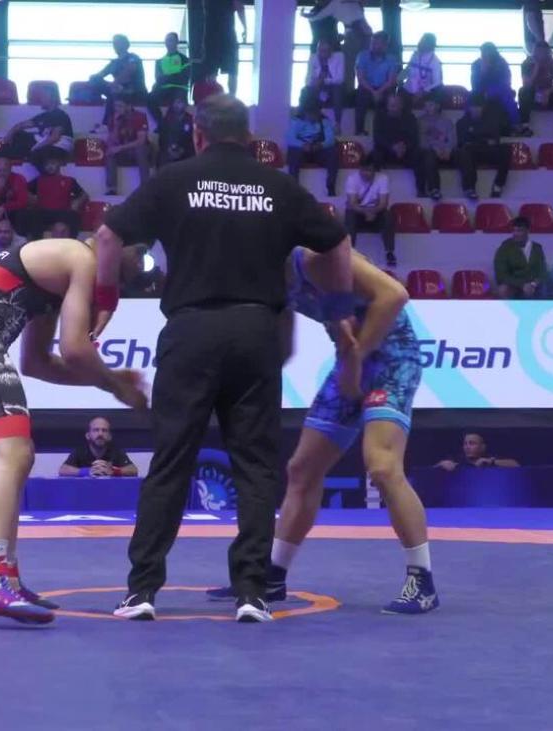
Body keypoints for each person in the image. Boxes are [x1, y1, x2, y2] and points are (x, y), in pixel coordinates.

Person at [97, 94, 356, 623]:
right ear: (249, 137)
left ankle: (142, 591)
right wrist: (338, 313)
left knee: (171, 462)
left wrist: (105, 301)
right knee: (255, 467)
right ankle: (252, 594)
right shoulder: (278, 187)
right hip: (255, 331)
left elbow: (106, 236)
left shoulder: (175, 179)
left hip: (190, 330)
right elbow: (337, 243)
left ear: (198, 134)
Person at [206, 246, 438, 615]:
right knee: (302, 469)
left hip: (393, 359)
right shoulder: (268, 279)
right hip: (351, 359)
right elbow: (283, 348)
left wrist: (356, 357)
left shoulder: (310, 257)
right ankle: (273, 576)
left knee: (382, 466)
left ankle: (422, 580)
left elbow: (394, 295)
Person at [0, 236, 147, 624]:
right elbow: (75, 350)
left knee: (21, 453)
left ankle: (6, 576)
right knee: (10, 452)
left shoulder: (54, 281)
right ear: (116, 243)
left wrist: (111, 382)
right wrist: (116, 385)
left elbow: (37, 362)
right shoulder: (79, 256)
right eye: (138, 252)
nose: (139, 264)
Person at [457, 94, 511, 200]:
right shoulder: (462, 122)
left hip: (487, 151)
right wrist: (483, 138)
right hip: (471, 152)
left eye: (479, 107)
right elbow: (462, 142)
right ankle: (469, 188)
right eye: (474, 107)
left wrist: (475, 135)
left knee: (506, 150)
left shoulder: (490, 121)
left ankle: (498, 185)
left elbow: (495, 139)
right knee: (465, 152)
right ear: (469, 108)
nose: (477, 110)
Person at [87, 35, 147, 131]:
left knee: (113, 94)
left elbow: (130, 71)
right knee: (95, 79)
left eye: (118, 42)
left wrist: (115, 83)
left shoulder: (133, 57)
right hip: (116, 89)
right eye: (114, 43)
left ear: (126, 44)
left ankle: (106, 124)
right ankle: (111, 93)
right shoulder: (114, 62)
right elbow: (100, 74)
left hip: (134, 90)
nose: (115, 45)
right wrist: (96, 79)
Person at [344, 157, 396, 266]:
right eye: (363, 170)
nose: (365, 173)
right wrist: (366, 212)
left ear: (374, 170)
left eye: (369, 170)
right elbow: (352, 203)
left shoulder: (383, 179)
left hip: (376, 213)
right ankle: (349, 253)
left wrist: (373, 212)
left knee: (388, 215)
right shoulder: (352, 179)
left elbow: (383, 203)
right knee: (349, 215)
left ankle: (389, 252)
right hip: (359, 213)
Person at [286, 93, 339, 197]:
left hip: (318, 149)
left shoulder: (324, 121)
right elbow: (289, 139)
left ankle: (331, 186)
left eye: (316, 113)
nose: (314, 116)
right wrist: (302, 145)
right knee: (293, 152)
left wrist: (321, 145)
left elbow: (331, 139)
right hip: (302, 151)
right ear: (306, 112)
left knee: (332, 152)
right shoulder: (297, 121)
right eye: (311, 114)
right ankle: (294, 188)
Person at [1, 96, 74, 171]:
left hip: (58, 147)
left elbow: (54, 137)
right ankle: (8, 155)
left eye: (44, 97)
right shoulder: (43, 116)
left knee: (40, 154)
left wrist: (36, 148)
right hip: (44, 143)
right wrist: (10, 133)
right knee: (19, 135)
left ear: (52, 99)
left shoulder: (60, 115)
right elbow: (21, 125)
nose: (41, 99)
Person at [25, 156, 88, 240]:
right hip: (43, 212)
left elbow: (84, 194)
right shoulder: (39, 180)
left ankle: (72, 242)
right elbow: (24, 189)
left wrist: (77, 202)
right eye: (47, 164)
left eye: (53, 163)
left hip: (63, 212)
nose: (50, 166)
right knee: (32, 216)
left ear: (59, 164)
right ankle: (35, 243)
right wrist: (31, 198)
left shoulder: (69, 180)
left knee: (74, 216)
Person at [518, 41, 553, 138]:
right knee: (522, 91)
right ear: (535, 52)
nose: (541, 54)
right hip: (533, 93)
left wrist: (549, 91)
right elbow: (526, 84)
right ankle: (525, 127)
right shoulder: (527, 63)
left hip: (549, 93)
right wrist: (536, 68)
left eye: (544, 52)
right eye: (539, 51)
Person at [353, 31, 399, 136]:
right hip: (367, 87)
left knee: (390, 99)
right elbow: (361, 79)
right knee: (361, 97)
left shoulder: (392, 59)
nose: (373, 46)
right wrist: (374, 92)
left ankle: (386, 132)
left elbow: (391, 81)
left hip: (384, 87)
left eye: (377, 43)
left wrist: (379, 91)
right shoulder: (362, 55)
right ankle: (359, 131)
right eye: (372, 43)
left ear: (384, 45)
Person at [58, 417, 138, 477]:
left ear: (110, 436)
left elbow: (133, 470)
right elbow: (63, 470)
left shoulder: (115, 450)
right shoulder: (81, 450)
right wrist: (87, 471)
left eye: (104, 430)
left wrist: (114, 471)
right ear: (88, 435)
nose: (100, 434)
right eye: (96, 430)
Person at [104, 98, 152, 197]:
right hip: (125, 152)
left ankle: (146, 187)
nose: (117, 109)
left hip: (138, 150)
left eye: (120, 106)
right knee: (110, 152)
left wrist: (120, 148)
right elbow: (112, 142)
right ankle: (112, 189)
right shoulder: (113, 118)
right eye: (115, 106)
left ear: (129, 106)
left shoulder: (140, 116)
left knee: (140, 150)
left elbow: (141, 141)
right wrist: (116, 124)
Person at [493, 217, 548, 299]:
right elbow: (501, 275)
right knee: (503, 290)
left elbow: (542, 271)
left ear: (528, 231)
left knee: (544, 288)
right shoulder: (504, 248)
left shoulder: (537, 248)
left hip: (533, 284)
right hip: (514, 284)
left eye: (519, 231)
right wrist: (522, 285)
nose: (516, 234)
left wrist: (533, 284)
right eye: (514, 231)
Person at [470, 43, 519, 128]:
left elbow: (506, 83)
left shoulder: (502, 64)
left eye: (487, 53)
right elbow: (474, 85)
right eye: (483, 54)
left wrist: (491, 92)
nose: (485, 56)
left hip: (501, 92)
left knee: (509, 100)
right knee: (472, 98)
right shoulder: (476, 64)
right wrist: (483, 72)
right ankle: (473, 126)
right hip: (481, 92)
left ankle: (516, 125)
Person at [416, 95, 455, 201]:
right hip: (430, 152)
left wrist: (447, 151)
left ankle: (469, 188)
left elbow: (452, 140)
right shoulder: (419, 122)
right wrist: (435, 149)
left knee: (463, 153)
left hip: (446, 152)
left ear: (437, 106)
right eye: (426, 105)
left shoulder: (447, 121)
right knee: (428, 156)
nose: (427, 108)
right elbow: (421, 142)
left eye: (430, 105)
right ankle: (434, 189)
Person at [149, 32, 192, 124]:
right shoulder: (159, 61)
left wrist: (166, 77)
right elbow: (158, 79)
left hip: (179, 89)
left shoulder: (184, 59)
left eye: (171, 40)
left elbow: (184, 78)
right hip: (163, 90)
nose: (169, 43)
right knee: (148, 99)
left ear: (177, 42)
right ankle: (161, 122)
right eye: (167, 40)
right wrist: (174, 75)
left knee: (177, 104)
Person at [371, 93, 419, 175]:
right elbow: (377, 137)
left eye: (396, 105)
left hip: (405, 150)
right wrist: (392, 146)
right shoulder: (379, 117)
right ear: (387, 106)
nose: (393, 108)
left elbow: (414, 137)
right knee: (376, 155)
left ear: (402, 105)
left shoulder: (410, 117)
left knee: (418, 156)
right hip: (386, 149)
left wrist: (404, 147)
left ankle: (420, 183)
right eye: (391, 105)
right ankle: (378, 182)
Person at [307, 38, 346, 124]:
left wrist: (323, 80)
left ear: (331, 51)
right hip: (318, 85)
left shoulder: (339, 57)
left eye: (325, 51)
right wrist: (316, 82)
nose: (321, 53)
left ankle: (337, 124)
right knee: (306, 92)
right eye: (319, 50)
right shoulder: (313, 57)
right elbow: (308, 79)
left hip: (334, 86)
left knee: (337, 91)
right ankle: (310, 123)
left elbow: (340, 79)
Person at [435, 433, 521, 470]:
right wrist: (441, 464)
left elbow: (516, 465)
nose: (467, 447)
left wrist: (491, 462)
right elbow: (432, 471)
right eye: (465, 444)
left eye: (472, 443)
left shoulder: (490, 459)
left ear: (482, 447)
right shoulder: (458, 460)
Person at [402, 33, 443, 106]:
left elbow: (437, 82)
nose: (420, 43)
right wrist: (400, 77)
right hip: (408, 89)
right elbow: (408, 69)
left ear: (430, 45)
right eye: (421, 40)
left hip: (425, 92)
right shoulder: (414, 55)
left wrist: (423, 92)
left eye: (423, 42)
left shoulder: (435, 61)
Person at [157, 96, 196, 168]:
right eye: (175, 102)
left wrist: (182, 150)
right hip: (168, 150)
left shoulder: (191, 119)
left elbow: (193, 138)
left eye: (179, 102)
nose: (176, 105)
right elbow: (162, 138)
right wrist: (169, 149)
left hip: (186, 151)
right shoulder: (167, 119)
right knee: (163, 156)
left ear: (185, 104)